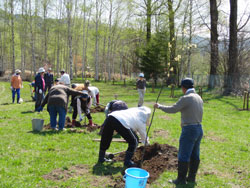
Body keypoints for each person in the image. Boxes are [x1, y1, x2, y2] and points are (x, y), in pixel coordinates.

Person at [154, 78, 203, 185]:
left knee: (183, 154)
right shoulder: (198, 97)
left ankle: (181, 180)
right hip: (199, 128)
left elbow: (173, 109)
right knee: (195, 154)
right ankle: (191, 178)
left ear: (183, 88)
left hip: (189, 129)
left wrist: (159, 106)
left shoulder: (186, 98)